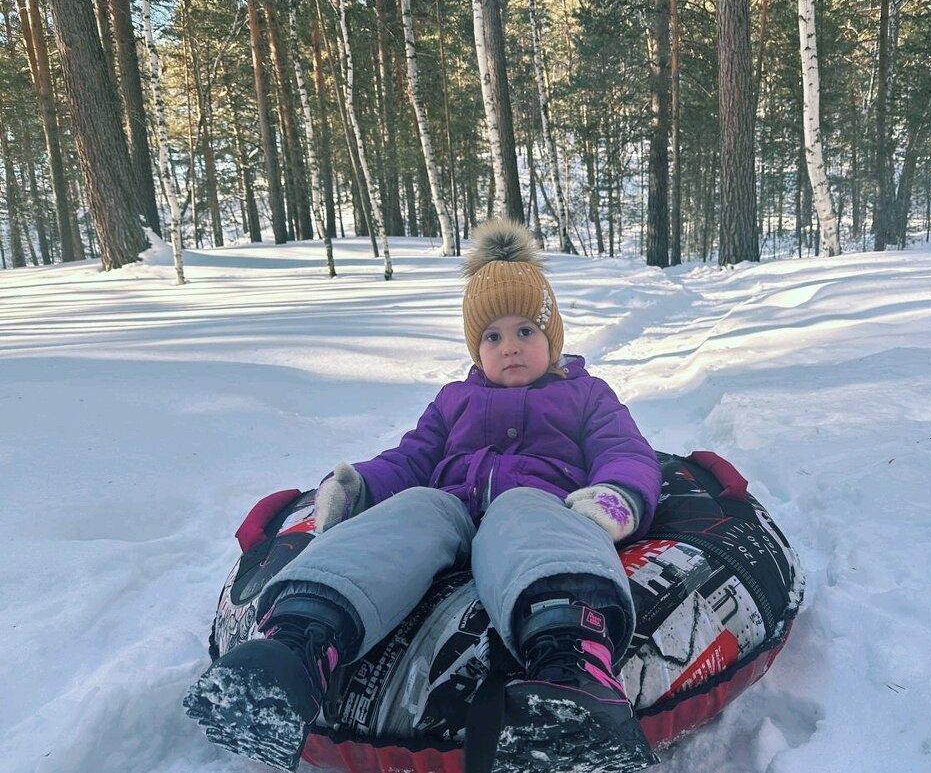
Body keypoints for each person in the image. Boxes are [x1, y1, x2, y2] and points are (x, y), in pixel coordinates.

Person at [184, 219, 662, 773]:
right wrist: (359, 488)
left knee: (524, 508)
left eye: (526, 331)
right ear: (475, 349)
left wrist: (616, 496)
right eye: (492, 337)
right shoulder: (453, 401)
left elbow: (626, 451)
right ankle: (297, 644)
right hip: (452, 507)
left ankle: (570, 667)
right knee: (414, 508)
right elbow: (412, 460)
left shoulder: (585, 394)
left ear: (551, 335)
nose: (510, 348)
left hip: (538, 509)